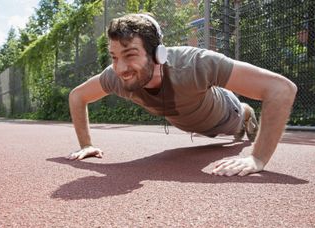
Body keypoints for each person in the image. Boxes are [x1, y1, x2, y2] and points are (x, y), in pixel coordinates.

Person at [66, 13, 297, 176]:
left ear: (158, 54)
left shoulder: (196, 63)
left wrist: (258, 159)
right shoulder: (114, 77)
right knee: (210, 135)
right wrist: (86, 145)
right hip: (193, 124)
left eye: (130, 54)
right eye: (114, 57)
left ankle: (246, 112)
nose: (121, 68)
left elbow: (282, 89)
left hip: (225, 114)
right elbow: (78, 96)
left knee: (235, 129)